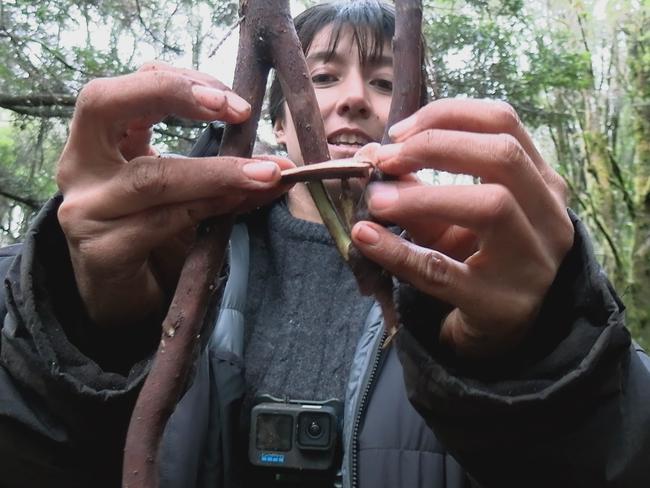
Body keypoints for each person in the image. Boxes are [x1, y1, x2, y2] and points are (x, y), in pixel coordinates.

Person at [1, 1, 649, 487]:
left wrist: (548, 342)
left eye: (385, 82)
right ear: (275, 119)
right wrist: (73, 313)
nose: (354, 102)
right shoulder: (169, 254)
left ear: (415, 112)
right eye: (323, 77)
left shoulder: (472, 274)